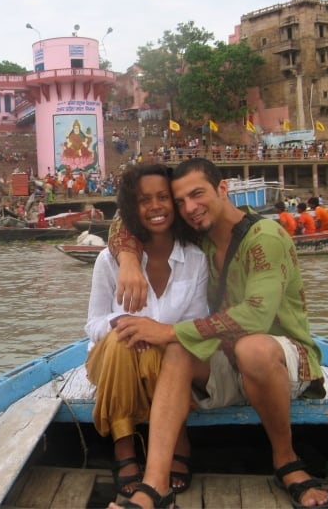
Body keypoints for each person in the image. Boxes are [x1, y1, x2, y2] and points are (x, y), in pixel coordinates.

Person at [107, 157, 328, 509]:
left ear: (223, 189)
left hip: (284, 363)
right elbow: (124, 219)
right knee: (179, 349)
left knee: (250, 347)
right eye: (180, 202)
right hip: (226, 360)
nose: (189, 208)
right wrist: (130, 261)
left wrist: (168, 330)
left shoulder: (266, 237)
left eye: (197, 195)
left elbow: (256, 315)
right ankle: (154, 486)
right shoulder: (201, 235)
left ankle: (286, 460)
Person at [86, 164, 208, 499]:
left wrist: (157, 332)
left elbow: (196, 325)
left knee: (169, 348)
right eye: (144, 200)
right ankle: (124, 447)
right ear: (131, 208)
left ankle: (174, 435)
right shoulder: (109, 262)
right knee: (120, 342)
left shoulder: (196, 259)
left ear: (175, 203)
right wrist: (124, 325)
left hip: (168, 360)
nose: (155, 206)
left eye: (162, 197)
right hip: (114, 360)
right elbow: (93, 325)